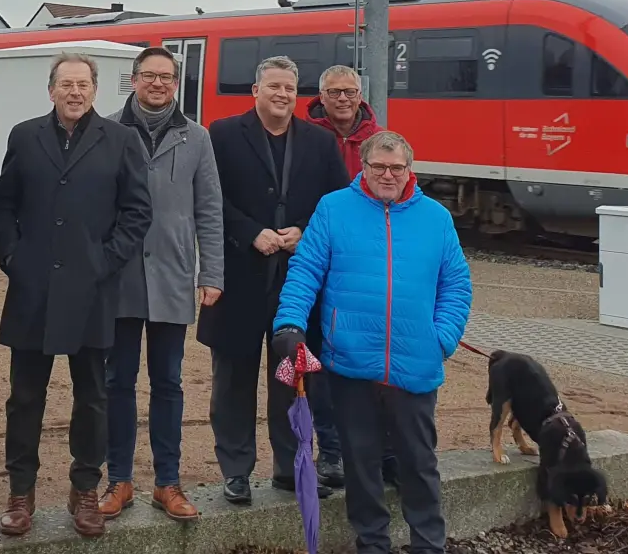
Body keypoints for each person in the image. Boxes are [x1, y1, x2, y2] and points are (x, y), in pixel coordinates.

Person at [271, 130, 473, 554]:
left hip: (415, 363)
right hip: (350, 362)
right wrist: (289, 323)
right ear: (362, 167)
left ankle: (428, 544)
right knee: (361, 465)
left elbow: (456, 283)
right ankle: (372, 544)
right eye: (378, 166)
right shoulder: (334, 209)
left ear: (409, 170)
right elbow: (305, 270)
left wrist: (442, 339)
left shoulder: (436, 218)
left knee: (418, 464)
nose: (387, 175)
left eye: (396, 167)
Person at [0, 53, 152, 539]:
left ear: (95, 90)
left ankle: (85, 491)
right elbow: (4, 200)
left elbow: (137, 212)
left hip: (92, 289)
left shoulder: (120, 139)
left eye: (83, 84)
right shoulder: (24, 135)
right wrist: (12, 256)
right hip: (33, 286)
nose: (75, 92)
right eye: (66, 84)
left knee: (93, 397)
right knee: (24, 397)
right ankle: (21, 493)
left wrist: (104, 261)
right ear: (51, 90)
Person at [197, 55, 348, 505]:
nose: (282, 95)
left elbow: (336, 203)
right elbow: (207, 198)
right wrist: (248, 232)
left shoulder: (320, 144)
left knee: (293, 382)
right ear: (256, 91)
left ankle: (291, 467)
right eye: (274, 86)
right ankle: (236, 471)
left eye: (289, 88)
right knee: (233, 384)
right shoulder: (221, 135)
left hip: (298, 286)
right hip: (238, 280)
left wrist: (303, 231)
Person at [97, 47, 224, 522]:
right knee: (117, 381)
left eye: (166, 77)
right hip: (120, 277)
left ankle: (167, 483)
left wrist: (211, 273)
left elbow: (210, 209)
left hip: (172, 276)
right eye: (148, 75)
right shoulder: (106, 130)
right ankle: (119, 480)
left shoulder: (197, 138)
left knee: (168, 382)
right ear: (133, 80)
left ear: (176, 83)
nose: (157, 83)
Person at [301, 63, 383, 487]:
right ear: (322, 96)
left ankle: (373, 451)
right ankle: (330, 452)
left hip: (365, 264)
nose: (344, 99)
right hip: (319, 257)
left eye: (350, 91)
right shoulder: (305, 136)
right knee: (324, 362)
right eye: (335, 92)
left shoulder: (378, 139)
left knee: (369, 362)